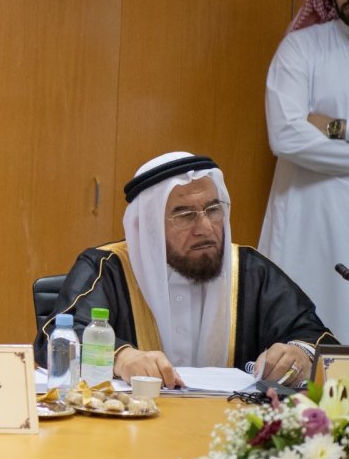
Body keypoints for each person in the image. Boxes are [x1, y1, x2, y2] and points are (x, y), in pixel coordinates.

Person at [41, 152, 336, 387]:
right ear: (150, 227)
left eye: (213, 210)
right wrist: (120, 356)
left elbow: (316, 337)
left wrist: (300, 353)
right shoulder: (108, 268)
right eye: (184, 215)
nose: (205, 228)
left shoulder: (249, 270)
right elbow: (55, 339)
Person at [259, 0, 349, 343]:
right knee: (302, 338)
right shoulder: (302, 49)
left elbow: (308, 132)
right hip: (308, 220)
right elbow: (286, 136)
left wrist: (334, 127)